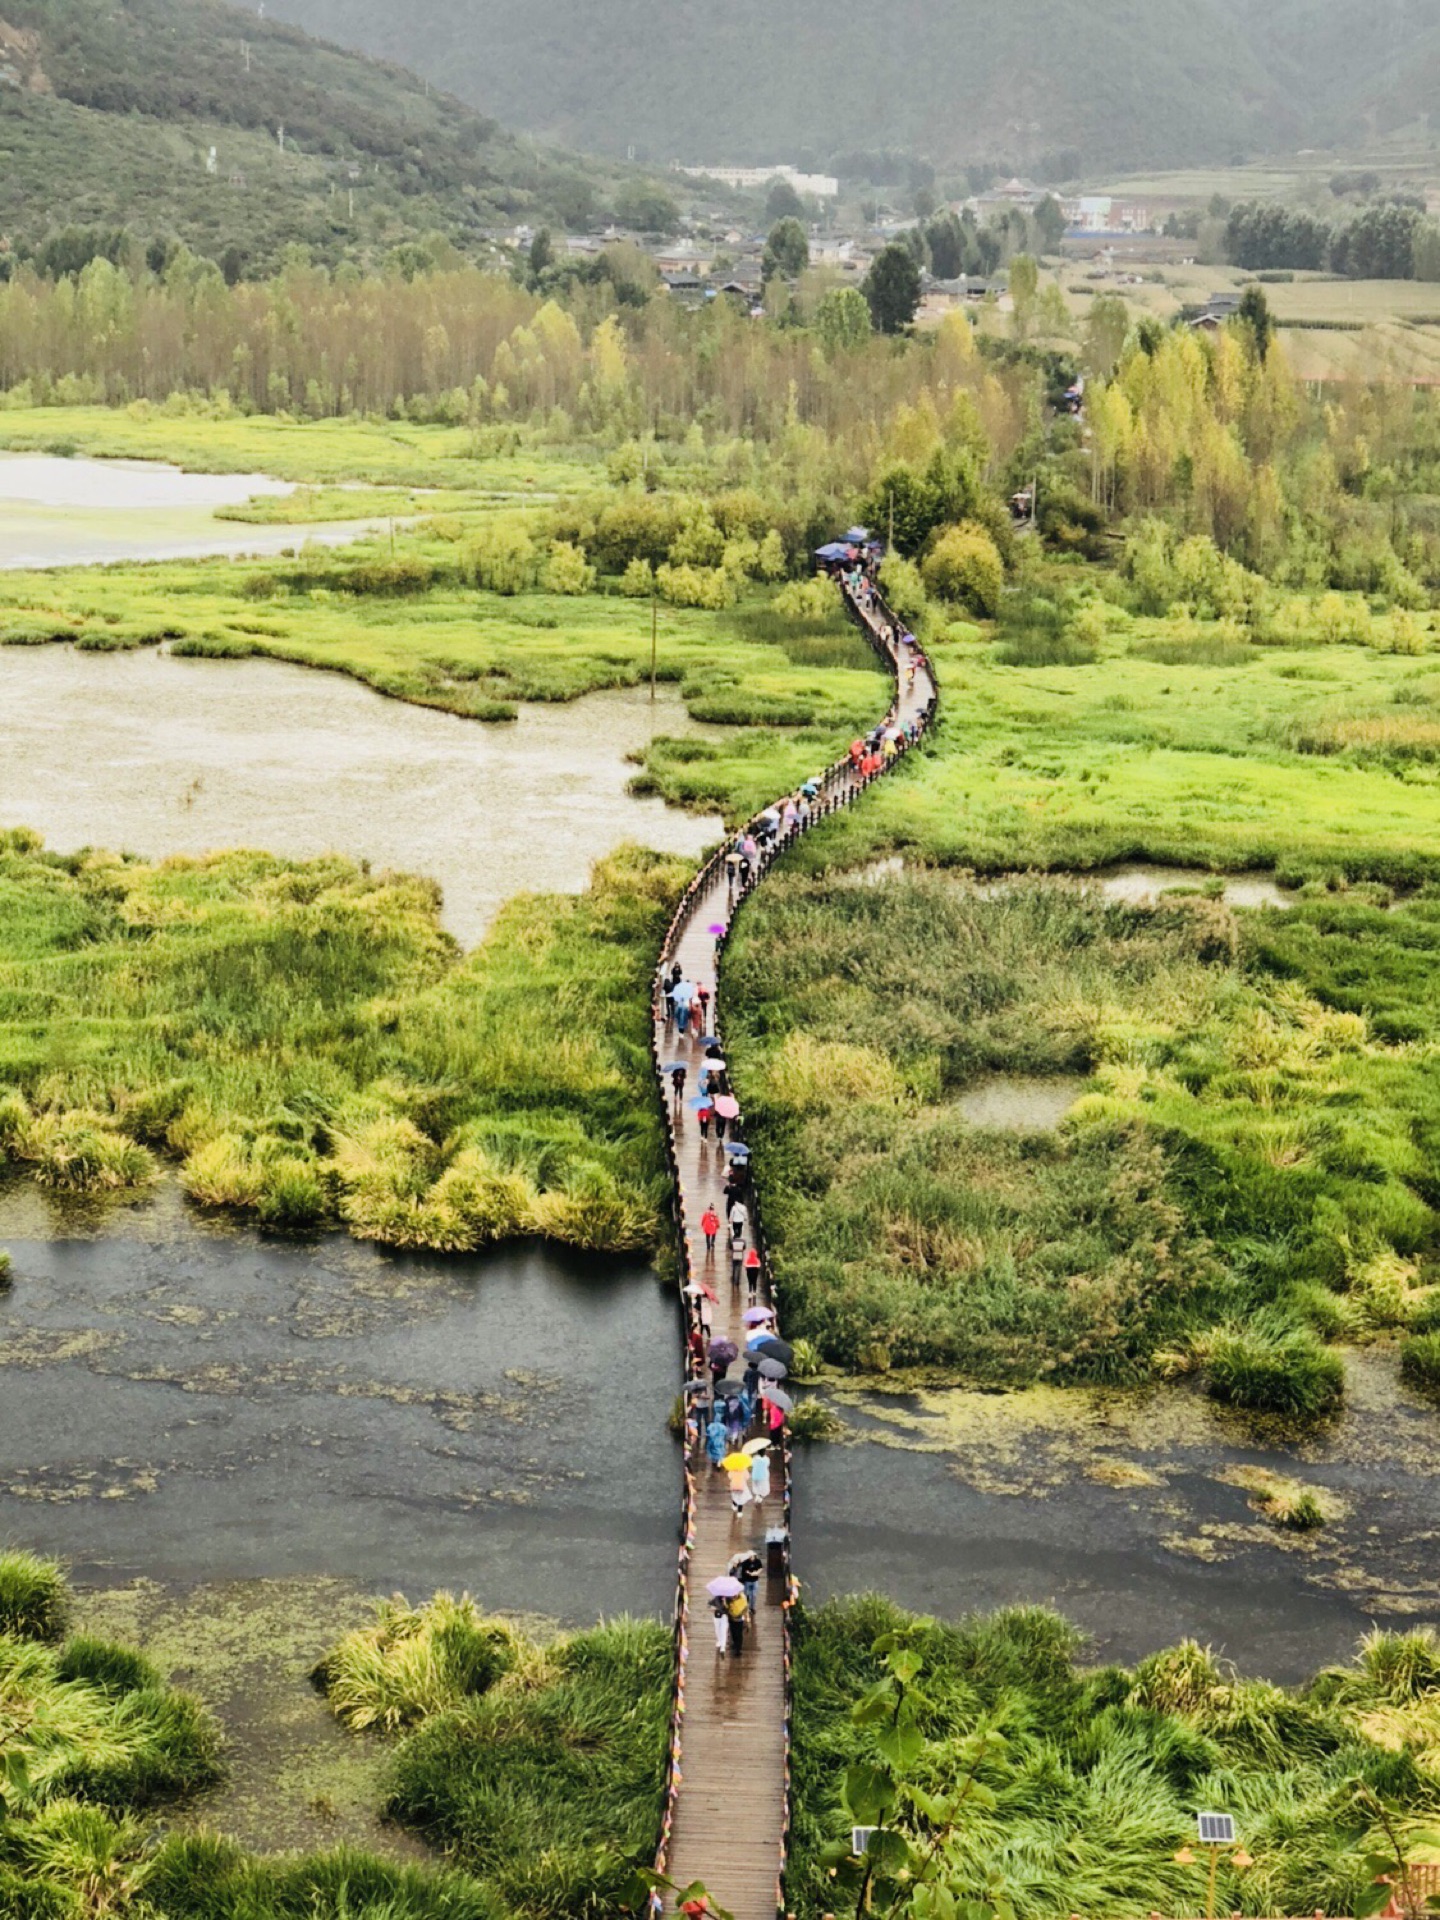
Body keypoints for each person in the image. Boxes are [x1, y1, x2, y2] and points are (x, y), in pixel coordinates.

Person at [729, 1548, 763, 1620]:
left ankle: (750, 1608)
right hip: (741, 1583)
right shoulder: (733, 1569)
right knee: (744, 1596)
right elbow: (734, 1576)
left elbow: (760, 1568)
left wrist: (756, 1573)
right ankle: (744, 1608)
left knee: (752, 1595)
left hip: (746, 1581)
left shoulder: (744, 1564)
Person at [725, 1586, 748, 1654]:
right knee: (733, 1633)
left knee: (739, 1634)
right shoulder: (729, 1598)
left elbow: (745, 1608)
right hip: (731, 1618)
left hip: (739, 1619)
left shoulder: (742, 1598)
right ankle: (735, 1644)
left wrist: (747, 1619)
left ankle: (738, 1649)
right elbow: (727, 1607)